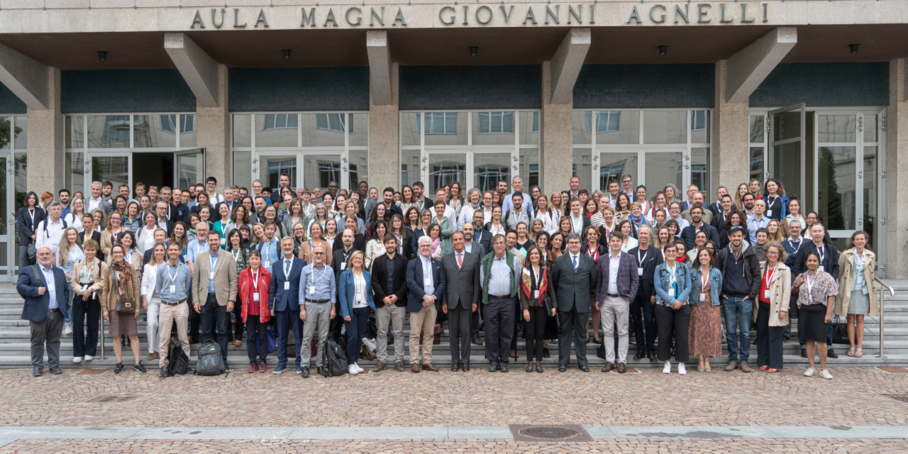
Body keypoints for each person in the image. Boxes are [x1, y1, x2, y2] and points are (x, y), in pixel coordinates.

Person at [18, 246, 71, 377]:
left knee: (54, 341)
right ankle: (37, 366)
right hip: (38, 312)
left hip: (57, 312)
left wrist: (65, 305)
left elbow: (65, 290)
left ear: (52, 256)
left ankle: (54, 365)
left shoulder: (59, 271)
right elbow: (20, 286)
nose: (45, 256)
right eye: (41, 254)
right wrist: (35, 291)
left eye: (47, 254)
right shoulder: (29, 270)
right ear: (37, 257)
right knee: (37, 341)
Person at [191, 231, 238, 370]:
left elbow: (233, 280)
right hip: (205, 298)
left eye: (215, 240)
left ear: (220, 241)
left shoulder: (228, 256)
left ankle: (222, 361)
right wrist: (195, 300)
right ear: (208, 240)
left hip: (222, 299)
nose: (213, 242)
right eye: (211, 240)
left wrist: (231, 300)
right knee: (206, 331)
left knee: (223, 331)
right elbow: (195, 281)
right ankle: (207, 361)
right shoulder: (200, 257)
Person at [792, 223, 840, 358]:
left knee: (826, 317)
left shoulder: (831, 248)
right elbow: (797, 267)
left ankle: (828, 346)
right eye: (815, 231)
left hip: (825, 286)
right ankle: (803, 345)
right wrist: (802, 281)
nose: (817, 233)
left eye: (820, 231)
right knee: (804, 318)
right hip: (808, 286)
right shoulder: (804, 247)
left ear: (824, 233)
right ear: (810, 233)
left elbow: (836, 267)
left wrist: (831, 279)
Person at [552, 233, 598, 373]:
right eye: (571, 242)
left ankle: (582, 362)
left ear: (580, 244)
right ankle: (563, 362)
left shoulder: (588, 261)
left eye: (576, 242)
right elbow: (554, 281)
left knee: (581, 334)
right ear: (567, 244)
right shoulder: (560, 260)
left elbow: (593, 281)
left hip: (582, 302)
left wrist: (583, 292)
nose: (573, 244)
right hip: (564, 302)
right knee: (564, 333)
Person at [716, 227, 760, 373]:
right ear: (729, 237)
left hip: (745, 298)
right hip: (728, 298)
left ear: (743, 237)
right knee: (730, 331)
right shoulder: (723, 253)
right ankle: (733, 359)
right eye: (733, 236)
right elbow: (716, 274)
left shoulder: (750, 253)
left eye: (739, 236)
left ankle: (745, 361)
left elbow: (756, 276)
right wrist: (721, 293)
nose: (736, 238)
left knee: (746, 332)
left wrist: (752, 294)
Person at [594, 232, 640, 373]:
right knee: (607, 331)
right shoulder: (602, 259)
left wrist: (630, 297)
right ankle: (609, 361)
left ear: (621, 243)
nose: (615, 243)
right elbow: (599, 280)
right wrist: (598, 298)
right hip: (606, 299)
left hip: (622, 298)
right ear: (609, 243)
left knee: (623, 331)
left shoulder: (629, 258)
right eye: (612, 241)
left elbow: (635, 280)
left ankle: (622, 361)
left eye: (617, 241)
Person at [478, 234, 519, 372]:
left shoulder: (513, 259)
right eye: (497, 243)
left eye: (502, 242)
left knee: (507, 332)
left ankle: (504, 361)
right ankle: (493, 360)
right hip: (491, 301)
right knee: (491, 332)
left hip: (508, 300)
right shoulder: (486, 260)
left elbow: (516, 279)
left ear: (506, 244)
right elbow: (483, 282)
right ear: (493, 245)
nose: (499, 245)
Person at [102, 244, 145, 374]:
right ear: (112, 254)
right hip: (114, 305)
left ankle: (137, 362)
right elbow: (105, 290)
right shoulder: (108, 269)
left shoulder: (129, 267)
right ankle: (119, 362)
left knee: (133, 334)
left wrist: (137, 306)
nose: (118, 254)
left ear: (123, 253)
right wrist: (105, 308)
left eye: (120, 252)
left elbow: (136, 288)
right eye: (115, 252)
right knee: (116, 335)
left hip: (128, 304)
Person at [794, 252, 837, 380]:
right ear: (806, 262)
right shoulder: (801, 276)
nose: (812, 263)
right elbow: (793, 292)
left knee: (821, 340)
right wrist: (798, 284)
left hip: (820, 311)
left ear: (819, 262)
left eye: (814, 260)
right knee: (808, 339)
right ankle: (811, 366)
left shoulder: (826, 277)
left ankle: (823, 368)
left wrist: (829, 313)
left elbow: (831, 295)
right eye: (809, 260)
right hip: (805, 310)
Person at [441, 232, 480, 372]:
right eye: (455, 240)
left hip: (467, 301)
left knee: (466, 332)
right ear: (452, 243)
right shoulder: (445, 259)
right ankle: (455, 361)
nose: (458, 242)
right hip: (451, 301)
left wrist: (475, 301)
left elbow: (476, 282)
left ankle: (465, 361)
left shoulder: (473, 258)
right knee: (453, 333)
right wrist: (443, 301)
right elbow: (443, 282)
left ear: (465, 241)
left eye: (460, 239)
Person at [406, 235, 446, 373]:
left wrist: (433, 297)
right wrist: (424, 296)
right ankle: (414, 362)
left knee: (429, 333)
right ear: (418, 248)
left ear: (431, 247)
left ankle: (427, 361)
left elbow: (442, 283)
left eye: (427, 245)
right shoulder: (412, 263)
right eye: (422, 246)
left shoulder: (437, 263)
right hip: (418, 303)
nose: (425, 248)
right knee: (415, 334)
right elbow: (410, 282)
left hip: (432, 304)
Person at [834, 231, 877, 359]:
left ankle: (859, 346)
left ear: (865, 240)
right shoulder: (846, 254)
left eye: (862, 239)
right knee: (850, 319)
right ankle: (852, 345)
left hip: (863, 291)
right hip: (849, 290)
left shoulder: (871, 255)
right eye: (857, 239)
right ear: (853, 241)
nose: (859, 241)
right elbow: (840, 272)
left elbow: (871, 273)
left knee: (860, 319)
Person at [370, 234, 409, 373]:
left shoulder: (404, 260)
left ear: (396, 244)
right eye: (388, 243)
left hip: (399, 303)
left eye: (392, 243)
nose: (390, 245)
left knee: (399, 332)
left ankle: (399, 360)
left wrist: (397, 296)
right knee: (381, 332)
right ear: (384, 245)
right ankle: (382, 360)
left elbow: (407, 280)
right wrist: (383, 297)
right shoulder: (378, 261)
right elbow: (374, 281)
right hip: (383, 303)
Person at [269, 236, 306, 374]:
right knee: (282, 335)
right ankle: (282, 363)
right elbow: (273, 286)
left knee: (298, 335)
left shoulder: (302, 263)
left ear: (293, 246)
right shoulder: (276, 265)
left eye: (289, 244)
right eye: (284, 245)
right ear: (281, 247)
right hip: (280, 305)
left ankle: (299, 362)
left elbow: (304, 285)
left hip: (296, 304)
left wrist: (304, 305)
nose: (287, 247)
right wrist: (270, 305)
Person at [155, 242, 192, 378]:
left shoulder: (186, 269)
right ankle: (163, 365)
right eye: (171, 250)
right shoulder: (162, 268)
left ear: (180, 251)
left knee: (183, 336)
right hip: (165, 305)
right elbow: (159, 287)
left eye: (176, 249)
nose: (173, 252)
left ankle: (185, 363)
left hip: (181, 304)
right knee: (164, 337)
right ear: (167, 251)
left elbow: (187, 286)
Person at [653, 242, 691, 375]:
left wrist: (678, 301)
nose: (671, 253)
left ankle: (681, 363)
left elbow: (688, 287)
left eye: (673, 251)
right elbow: (658, 288)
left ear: (677, 253)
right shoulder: (659, 268)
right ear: (665, 253)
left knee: (682, 335)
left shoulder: (684, 267)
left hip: (682, 306)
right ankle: (666, 362)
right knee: (664, 335)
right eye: (668, 251)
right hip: (664, 306)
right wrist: (671, 301)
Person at [298, 244, 336, 378]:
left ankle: (320, 364)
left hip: (325, 306)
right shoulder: (305, 270)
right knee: (307, 337)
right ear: (312, 255)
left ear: (325, 255)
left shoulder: (330, 270)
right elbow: (301, 290)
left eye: (321, 253)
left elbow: (333, 290)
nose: (319, 255)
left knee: (323, 337)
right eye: (316, 253)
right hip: (310, 305)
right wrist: (302, 309)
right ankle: (304, 365)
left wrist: (333, 308)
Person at [518, 245, 557, 373]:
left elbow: (550, 288)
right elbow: (522, 292)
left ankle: (538, 363)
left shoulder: (545, 270)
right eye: (532, 253)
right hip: (529, 306)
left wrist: (554, 305)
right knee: (530, 335)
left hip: (541, 306)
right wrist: (524, 308)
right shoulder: (525, 270)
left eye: (536, 253)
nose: (534, 255)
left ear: (540, 255)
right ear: (529, 256)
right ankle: (530, 363)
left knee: (540, 335)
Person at [754, 242, 790, 373]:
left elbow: (787, 290)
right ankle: (763, 361)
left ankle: (774, 363)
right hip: (762, 304)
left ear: (779, 254)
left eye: (775, 252)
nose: (772, 255)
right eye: (770, 252)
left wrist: (784, 308)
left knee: (774, 335)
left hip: (776, 306)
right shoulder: (762, 267)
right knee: (762, 334)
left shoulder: (784, 269)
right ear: (766, 253)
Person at [337, 250, 374, 376]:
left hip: (364, 308)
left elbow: (369, 291)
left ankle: (355, 361)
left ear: (363, 260)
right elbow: (342, 294)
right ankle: (350, 363)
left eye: (360, 258)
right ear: (351, 260)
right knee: (352, 337)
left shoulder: (367, 274)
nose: (358, 260)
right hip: (350, 309)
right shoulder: (345, 275)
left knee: (359, 337)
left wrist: (371, 304)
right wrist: (345, 312)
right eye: (355, 258)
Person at [688, 247, 723, 372]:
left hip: (711, 304)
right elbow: (690, 288)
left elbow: (719, 289)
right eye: (701, 255)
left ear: (710, 257)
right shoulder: (693, 272)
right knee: (697, 331)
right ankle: (700, 359)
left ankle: (707, 359)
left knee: (710, 332)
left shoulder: (716, 273)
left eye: (705, 255)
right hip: (696, 304)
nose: (703, 257)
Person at [69, 239, 103, 364]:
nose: (90, 252)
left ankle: (89, 351)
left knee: (92, 324)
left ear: (96, 250)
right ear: (84, 250)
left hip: (94, 294)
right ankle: (78, 353)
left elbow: (103, 281)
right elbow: (73, 281)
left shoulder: (101, 264)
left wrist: (90, 290)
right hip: (80, 294)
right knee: (77, 323)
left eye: (92, 250)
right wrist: (81, 291)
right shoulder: (78, 263)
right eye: (88, 250)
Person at [141, 243, 167, 362]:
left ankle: (158, 349)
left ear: (164, 252)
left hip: (165, 300)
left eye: (161, 250)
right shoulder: (148, 266)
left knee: (163, 325)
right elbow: (144, 284)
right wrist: (144, 299)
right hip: (152, 299)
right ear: (153, 252)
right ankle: (151, 350)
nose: (159, 252)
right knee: (152, 324)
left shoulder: (169, 266)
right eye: (157, 250)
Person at [16, 192, 45, 268]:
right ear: (27, 199)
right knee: (23, 258)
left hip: (38, 238)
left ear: (36, 200)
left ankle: (36, 278)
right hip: (25, 237)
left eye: (33, 198)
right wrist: (31, 235)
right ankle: (22, 278)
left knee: (36, 259)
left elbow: (44, 223)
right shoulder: (21, 210)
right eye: (30, 198)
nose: (31, 200)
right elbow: (21, 225)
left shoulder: (40, 210)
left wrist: (37, 232)